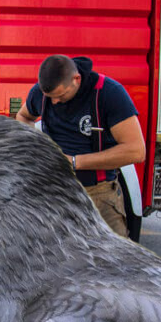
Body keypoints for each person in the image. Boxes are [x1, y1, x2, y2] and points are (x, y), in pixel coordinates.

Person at [16, 55, 145, 237]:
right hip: (54, 193)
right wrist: (37, 146)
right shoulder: (41, 92)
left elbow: (136, 151)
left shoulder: (109, 93)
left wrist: (75, 162)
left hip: (98, 196)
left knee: (107, 261)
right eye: (50, 98)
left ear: (76, 79)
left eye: (60, 96)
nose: (55, 102)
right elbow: (23, 116)